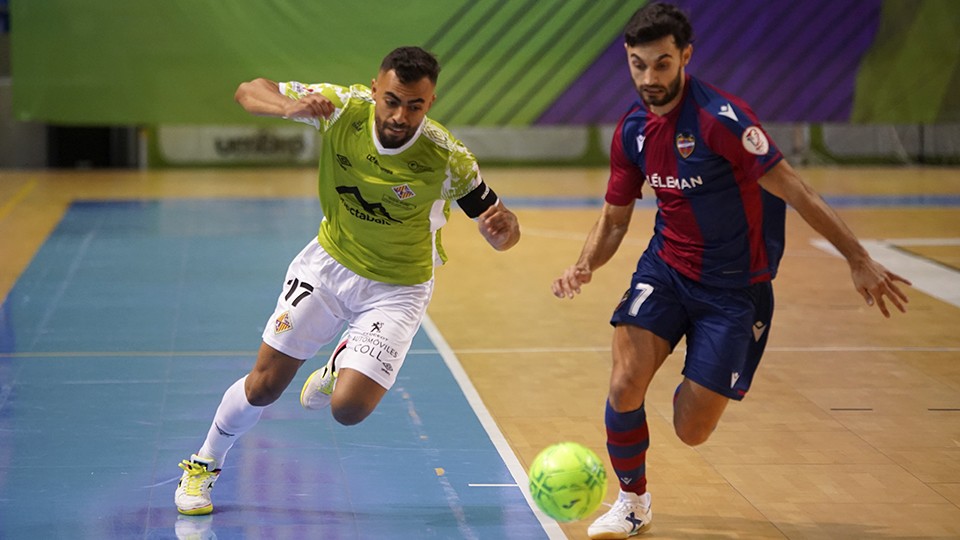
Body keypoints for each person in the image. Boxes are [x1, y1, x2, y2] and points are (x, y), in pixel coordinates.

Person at [551, 4, 910, 538]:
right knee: (626, 382)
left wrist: (858, 258)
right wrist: (583, 265)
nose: (650, 78)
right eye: (638, 65)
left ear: (685, 57)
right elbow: (614, 217)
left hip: (736, 290)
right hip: (667, 269)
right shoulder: (632, 132)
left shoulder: (722, 121)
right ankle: (633, 501)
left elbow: (797, 189)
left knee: (691, 430)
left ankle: (700, 376)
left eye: (663, 64)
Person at [175, 46, 521, 516]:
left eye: (415, 105)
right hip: (329, 265)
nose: (401, 115)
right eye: (393, 100)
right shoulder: (341, 108)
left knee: (348, 409)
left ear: (431, 102)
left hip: (397, 289)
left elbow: (500, 232)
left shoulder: (448, 159)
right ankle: (203, 463)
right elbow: (248, 91)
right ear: (375, 89)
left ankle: (340, 363)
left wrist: (505, 231)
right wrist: (288, 106)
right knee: (264, 387)